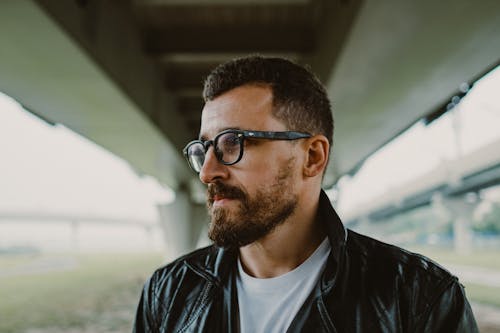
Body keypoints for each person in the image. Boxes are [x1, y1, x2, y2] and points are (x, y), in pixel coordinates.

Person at [133, 56, 478, 332]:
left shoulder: (419, 301)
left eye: (233, 143)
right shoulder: (167, 294)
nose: (208, 172)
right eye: (204, 149)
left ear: (312, 157)